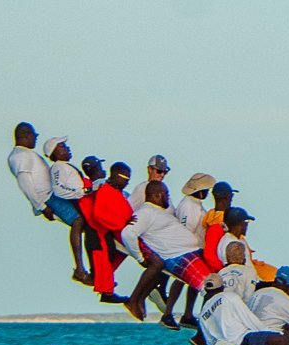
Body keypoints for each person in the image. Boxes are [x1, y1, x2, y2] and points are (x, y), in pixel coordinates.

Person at [121, 182, 214, 327]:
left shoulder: (161, 211)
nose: (168, 198)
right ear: (157, 195)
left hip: (194, 251)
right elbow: (127, 233)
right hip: (179, 256)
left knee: (220, 281)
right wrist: (139, 257)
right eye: (167, 194)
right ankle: (207, 328)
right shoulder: (145, 213)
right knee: (211, 287)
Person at [79, 163, 134, 302]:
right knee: (102, 259)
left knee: (109, 258)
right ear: (115, 175)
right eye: (125, 179)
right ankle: (106, 292)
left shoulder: (115, 191)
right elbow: (99, 214)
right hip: (99, 233)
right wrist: (122, 224)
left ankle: (106, 288)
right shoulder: (105, 190)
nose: (127, 183)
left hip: (110, 233)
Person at [44, 136, 91, 285]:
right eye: (62, 146)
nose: (67, 148)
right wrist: (81, 192)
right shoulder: (58, 167)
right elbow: (58, 188)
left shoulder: (65, 166)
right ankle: (80, 267)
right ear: (54, 152)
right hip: (78, 199)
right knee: (78, 221)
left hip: (82, 197)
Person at [7, 122, 53, 219]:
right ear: (26, 136)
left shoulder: (25, 153)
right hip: (47, 199)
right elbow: (24, 182)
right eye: (34, 135)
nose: (36, 138)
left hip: (50, 197)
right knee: (78, 220)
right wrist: (42, 206)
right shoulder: (20, 155)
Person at [175, 173, 215, 244]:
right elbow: (186, 232)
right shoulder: (187, 206)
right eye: (206, 190)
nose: (208, 192)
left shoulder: (195, 203)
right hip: (192, 249)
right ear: (200, 191)